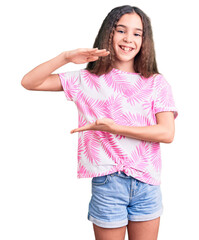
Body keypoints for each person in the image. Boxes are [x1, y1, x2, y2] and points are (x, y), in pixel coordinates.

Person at [21, 5, 178, 240]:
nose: (128, 39)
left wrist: (115, 128)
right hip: (108, 183)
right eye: (121, 30)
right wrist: (65, 57)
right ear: (109, 33)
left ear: (145, 40)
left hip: (147, 183)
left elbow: (167, 133)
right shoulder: (86, 79)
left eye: (137, 33)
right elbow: (29, 82)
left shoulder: (156, 83)